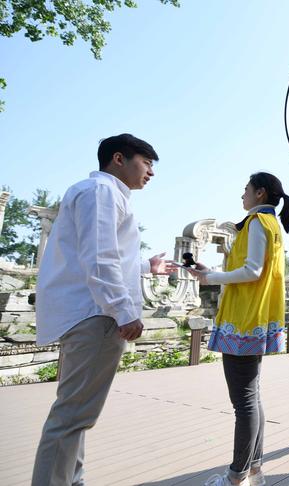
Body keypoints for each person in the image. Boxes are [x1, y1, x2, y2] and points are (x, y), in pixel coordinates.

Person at [32, 134, 168, 485]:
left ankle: (72, 480)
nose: (151, 172)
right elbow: (100, 257)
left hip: (88, 312)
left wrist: (144, 266)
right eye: (147, 162)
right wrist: (125, 312)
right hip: (97, 315)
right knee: (72, 416)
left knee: (75, 414)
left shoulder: (100, 194)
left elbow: (105, 254)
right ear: (118, 158)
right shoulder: (102, 192)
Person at [181, 172, 289, 486]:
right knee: (251, 398)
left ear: (260, 193)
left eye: (245, 190)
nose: (242, 195)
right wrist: (212, 272)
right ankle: (254, 470)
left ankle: (236, 476)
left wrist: (211, 278)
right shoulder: (269, 224)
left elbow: (253, 270)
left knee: (244, 401)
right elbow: (249, 267)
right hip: (253, 318)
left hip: (244, 320)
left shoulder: (258, 223)